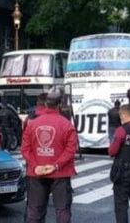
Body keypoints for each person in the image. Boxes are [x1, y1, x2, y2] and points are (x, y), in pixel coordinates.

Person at [21, 87, 78, 223]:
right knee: (62, 210)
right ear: (59, 105)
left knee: (35, 211)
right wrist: (56, 165)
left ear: (45, 104)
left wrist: (35, 165)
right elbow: (71, 150)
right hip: (60, 173)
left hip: (36, 173)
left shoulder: (32, 124)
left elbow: (25, 148)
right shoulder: (67, 125)